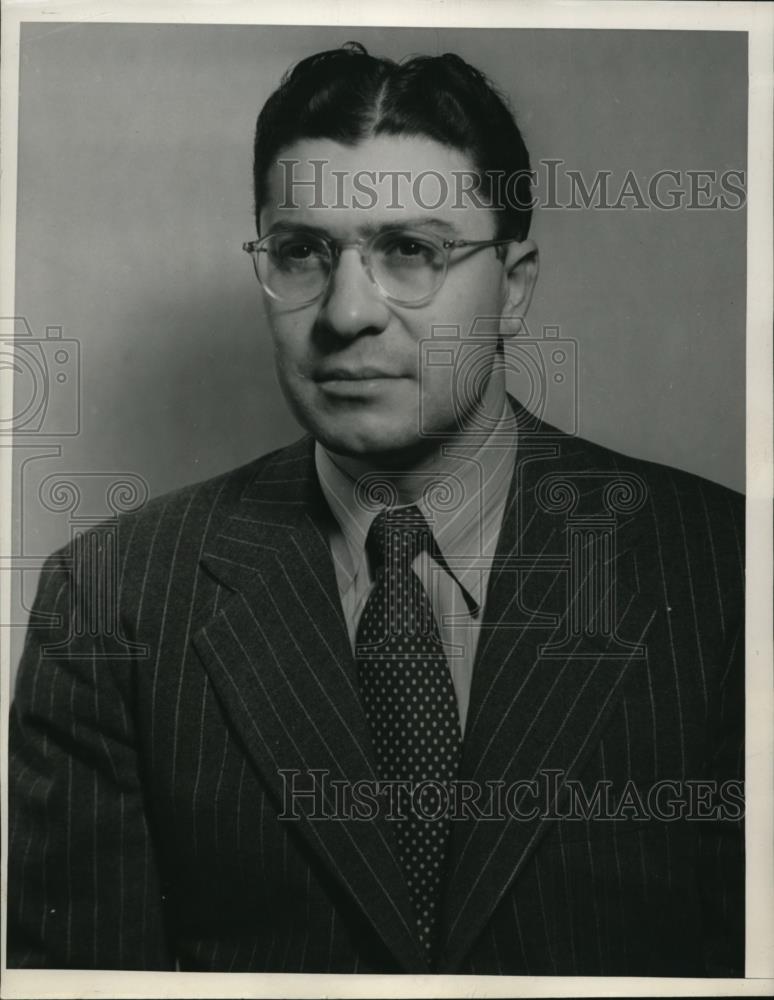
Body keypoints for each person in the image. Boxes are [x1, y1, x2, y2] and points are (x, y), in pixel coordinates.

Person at [8, 43, 744, 976]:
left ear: (514, 289)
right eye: (303, 252)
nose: (348, 311)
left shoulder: (729, 576)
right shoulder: (110, 600)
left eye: (411, 251)